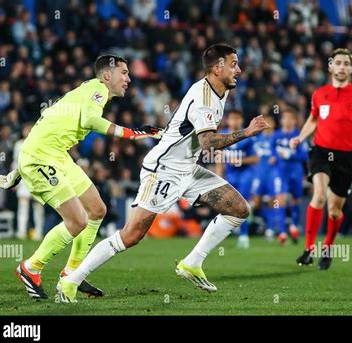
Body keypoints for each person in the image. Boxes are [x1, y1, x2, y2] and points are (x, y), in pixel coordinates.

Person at [57, 44, 270, 302]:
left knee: (239, 209)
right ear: (217, 68)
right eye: (234, 63)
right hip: (164, 170)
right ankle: (71, 280)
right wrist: (246, 133)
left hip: (188, 169)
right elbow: (207, 143)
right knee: (131, 235)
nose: (239, 69)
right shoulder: (203, 97)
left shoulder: (220, 91)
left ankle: (192, 263)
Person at [0, 55, 163, 299]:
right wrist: (133, 133)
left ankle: (72, 274)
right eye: (124, 73)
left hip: (56, 155)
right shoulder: (97, 90)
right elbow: (90, 120)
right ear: (107, 76)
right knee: (77, 221)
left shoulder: (87, 90)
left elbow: (51, 124)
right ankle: (31, 268)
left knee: (97, 210)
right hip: (41, 157)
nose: (128, 78)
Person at [290, 48, 352, 270]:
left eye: (346, 63)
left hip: (347, 157)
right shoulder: (319, 94)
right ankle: (309, 250)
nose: (342, 67)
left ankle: (327, 248)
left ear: (351, 68)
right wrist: (300, 137)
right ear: (331, 66)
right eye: (338, 62)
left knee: (334, 210)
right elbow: (313, 119)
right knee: (319, 196)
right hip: (321, 151)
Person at [216, 109, 258, 249]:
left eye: (237, 118)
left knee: (242, 205)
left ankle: (244, 235)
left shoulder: (248, 136)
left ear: (241, 120)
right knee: (227, 206)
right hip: (230, 176)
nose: (235, 121)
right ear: (228, 120)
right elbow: (219, 159)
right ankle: (225, 234)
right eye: (232, 118)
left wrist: (240, 160)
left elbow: (256, 158)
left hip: (245, 176)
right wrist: (218, 178)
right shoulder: (223, 136)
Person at [271, 108, 309, 245]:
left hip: (295, 173)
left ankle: (293, 225)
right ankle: (281, 232)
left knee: (296, 200)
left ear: (294, 120)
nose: (287, 121)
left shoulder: (299, 136)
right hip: (280, 172)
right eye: (285, 118)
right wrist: (274, 157)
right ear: (281, 120)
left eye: (290, 118)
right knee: (280, 199)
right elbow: (272, 151)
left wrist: (289, 155)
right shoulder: (276, 135)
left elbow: (305, 155)